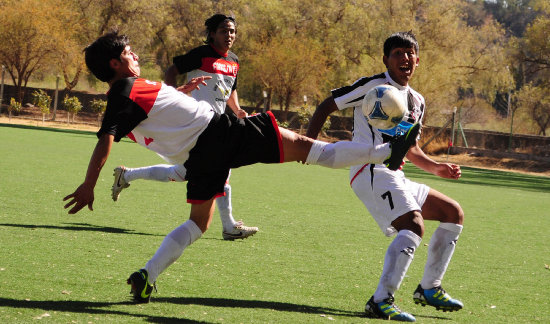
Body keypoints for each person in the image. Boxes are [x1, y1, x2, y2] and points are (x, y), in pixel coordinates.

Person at [63, 31, 418, 304]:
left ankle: (147, 275)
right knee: (306, 147)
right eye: (127, 53)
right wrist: (88, 182)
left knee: (197, 224)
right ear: (114, 64)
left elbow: (157, 111)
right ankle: (385, 151)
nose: (135, 55)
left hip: (198, 157)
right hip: (219, 133)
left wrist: (181, 90)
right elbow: (106, 137)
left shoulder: (129, 91)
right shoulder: (125, 92)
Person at [306, 31, 464, 322]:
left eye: (409, 53)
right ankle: (381, 300)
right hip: (370, 171)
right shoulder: (374, 86)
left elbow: (410, 147)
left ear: (417, 59)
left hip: (395, 175)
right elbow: (328, 105)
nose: (404, 58)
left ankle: (429, 288)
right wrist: (307, 143)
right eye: (397, 53)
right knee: (413, 225)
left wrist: (436, 167)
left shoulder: (417, 100)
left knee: (452, 212)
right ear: (386, 60)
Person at [111, 14, 257, 241]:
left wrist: (237, 110)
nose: (229, 35)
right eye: (223, 31)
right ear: (212, 34)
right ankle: (229, 226)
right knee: (220, 171)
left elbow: (231, 88)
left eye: (232, 31)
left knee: (183, 173)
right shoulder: (201, 54)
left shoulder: (234, 61)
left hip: (218, 125)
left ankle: (127, 175)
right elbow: (172, 70)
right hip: (194, 125)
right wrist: (170, 97)